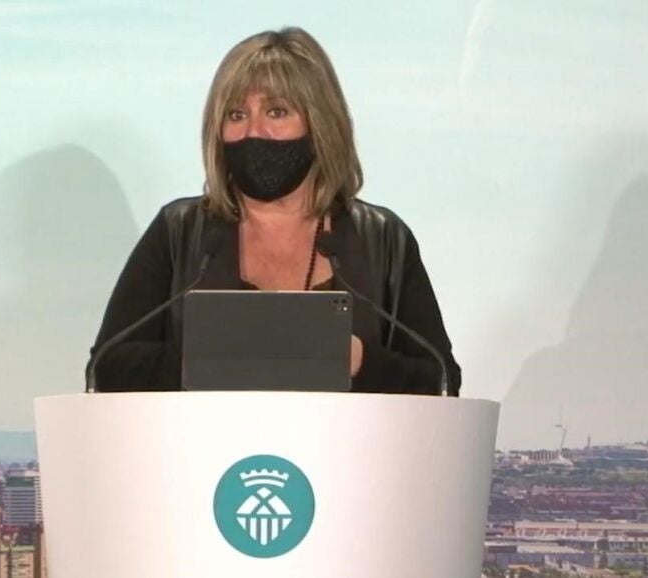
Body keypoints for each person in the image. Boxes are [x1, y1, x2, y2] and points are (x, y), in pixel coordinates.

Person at [90, 27, 461, 395]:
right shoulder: (179, 232)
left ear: (319, 125)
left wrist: (360, 362)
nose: (255, 131)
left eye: (276, 111)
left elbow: (442, 380)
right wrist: (213, 357)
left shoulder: (383, 238)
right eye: (236, 115)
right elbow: (108, 367)